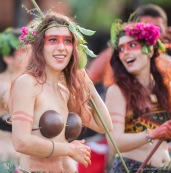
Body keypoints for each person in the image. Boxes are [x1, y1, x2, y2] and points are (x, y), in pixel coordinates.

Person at [8, 11, 113, 173]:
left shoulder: (66, 91)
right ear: (39, 46)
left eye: (67, 41)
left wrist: (89, 86)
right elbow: (21, 142)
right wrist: (69, 150)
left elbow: (104, 126)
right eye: (53, 40)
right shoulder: (28, 84)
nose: (61, 47)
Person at [105, 20, 171, 172]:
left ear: (149, 50)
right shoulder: (118, 91)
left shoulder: (166, 87)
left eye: (132, 45)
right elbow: (114, 143)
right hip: (131, 168)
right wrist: (153, 134)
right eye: (121, 49)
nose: (125, 52)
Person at [87, 3, 171, 93]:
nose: (150, 35)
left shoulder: (167, 63)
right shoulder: (118, 54)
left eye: (156, 29)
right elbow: (89, 78)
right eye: (145, 30)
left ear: (166, 32)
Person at [0, 28, 31, 172]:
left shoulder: (30, 83)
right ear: (7, 58)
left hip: (26, 160)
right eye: (23, 51)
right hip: (5, 159)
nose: (30, 55)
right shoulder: (2, 84)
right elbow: (8, 98)